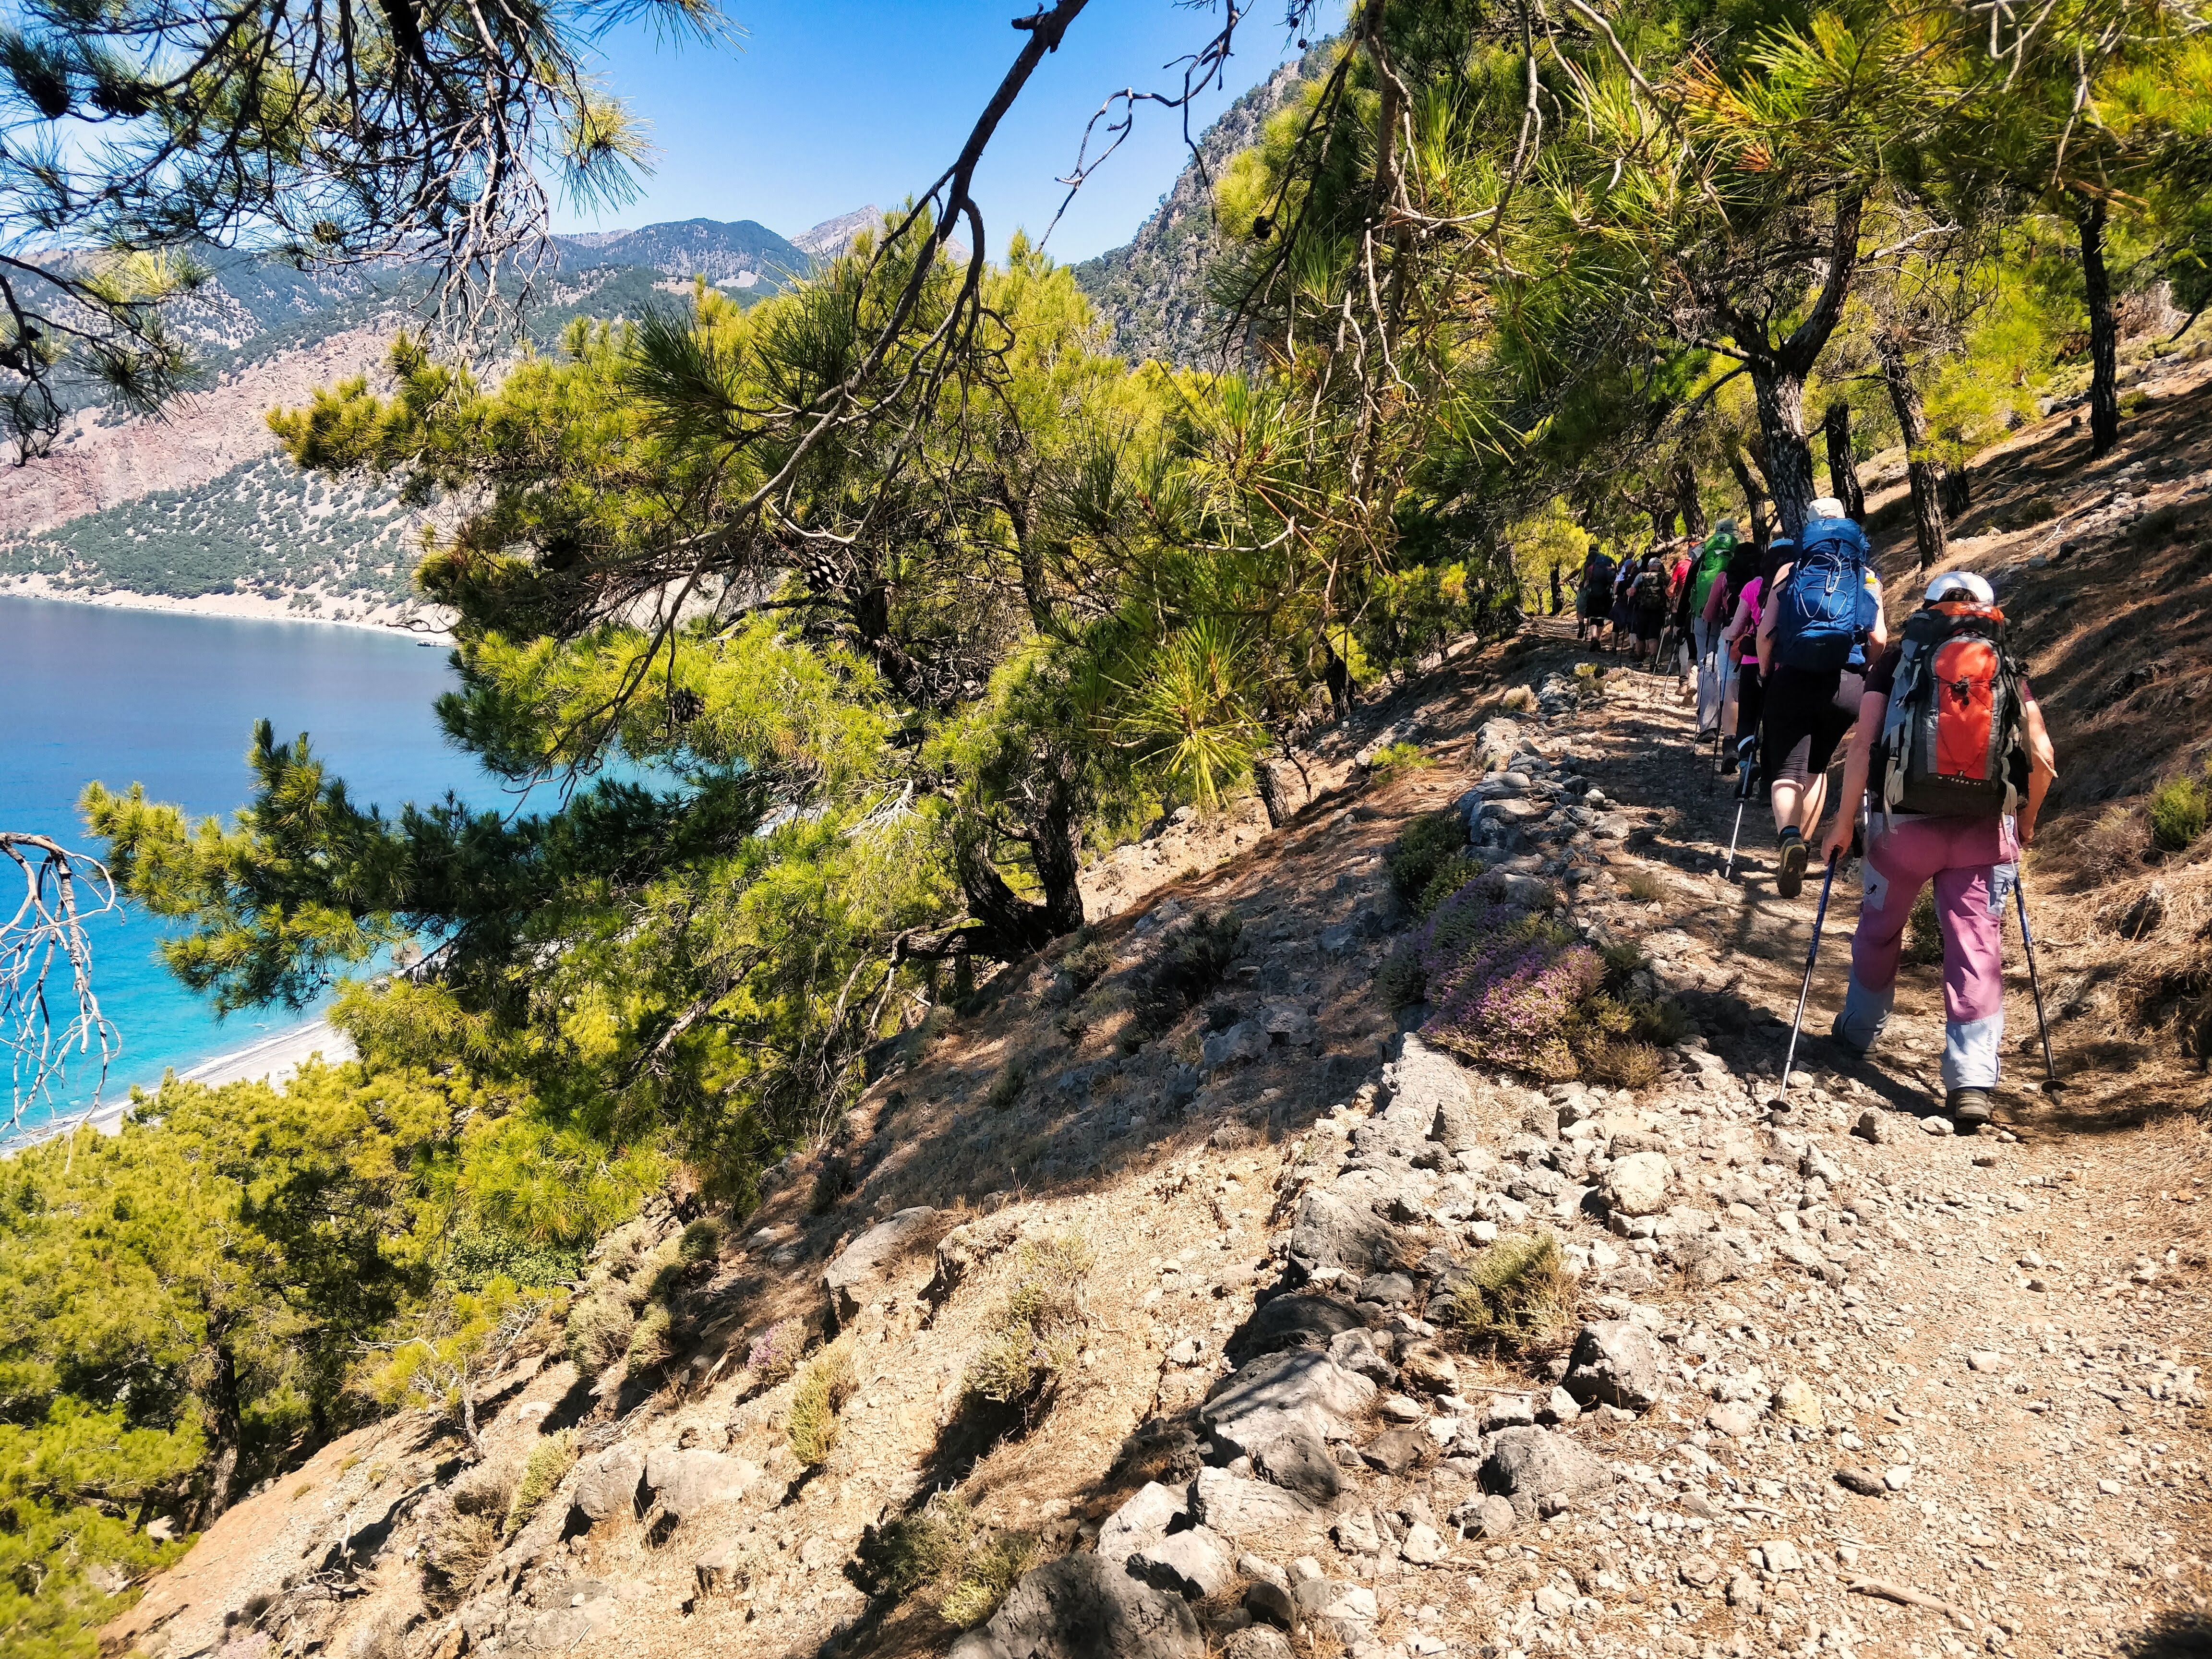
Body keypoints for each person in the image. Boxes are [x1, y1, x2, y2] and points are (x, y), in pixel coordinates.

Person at [1817, 570, 2057, 1128]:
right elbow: (2043, 756)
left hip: (1902, 828)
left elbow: (1864, 747)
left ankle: (1857, 1031)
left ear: (1927, 609)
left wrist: (1843, 822)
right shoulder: (2004, 662)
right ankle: (1972, 1079)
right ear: (1987, 611)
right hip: (1983, 832)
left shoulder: (1901, 658)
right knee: (1974, 949)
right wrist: (2025, 822)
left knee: (1880, 928)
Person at [1756, 500, 1885, 897]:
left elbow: (1765, 633)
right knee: (1817, 767)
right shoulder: (1866, 576)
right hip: (1846, 684)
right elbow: (1879, 638)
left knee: (1785, 768)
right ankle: (1803, 849)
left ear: (1808, 531)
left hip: (1793, 677)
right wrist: (1864, 671)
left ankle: (1789, 837)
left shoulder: (1788, 571)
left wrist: (1766, 674)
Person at [1714, 538, 1766, 772]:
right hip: (1766, 647)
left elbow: (1711, 614)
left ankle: (1732, 745)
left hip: (1740, 646)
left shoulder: (1729, 577)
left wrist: (1726, 634)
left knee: (1732, 694)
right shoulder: (1770, 580)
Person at [1690, 518, 1740, 735]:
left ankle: (1708, 724)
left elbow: (1690, 584)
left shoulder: (1703, 552)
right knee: (1728, 669)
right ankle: (1734, 727)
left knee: (1707, 663)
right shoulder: (1743, 553)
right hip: (1735, 617)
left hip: (1704, 615)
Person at [1630, 551, 1670, 666]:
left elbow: (1632, 592)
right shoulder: (1664, 578)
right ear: (1659, 566)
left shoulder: (1641, 576)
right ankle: (1653, 660)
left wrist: (1629, 593)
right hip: (1658, 610)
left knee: (1640, 635)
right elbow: (1671, 592)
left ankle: (1639, 659)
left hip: (1643, 610)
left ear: (1649, 567)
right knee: (1654, 636)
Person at [1576, 541, 1616, 642]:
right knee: (1601, 619)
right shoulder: (1606, 567)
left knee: (1591, 616)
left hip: (1591, 593)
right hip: (1605, 595)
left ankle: (1590, 634)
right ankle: (1597, 639)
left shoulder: (1588, 566)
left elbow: (1583, 578)